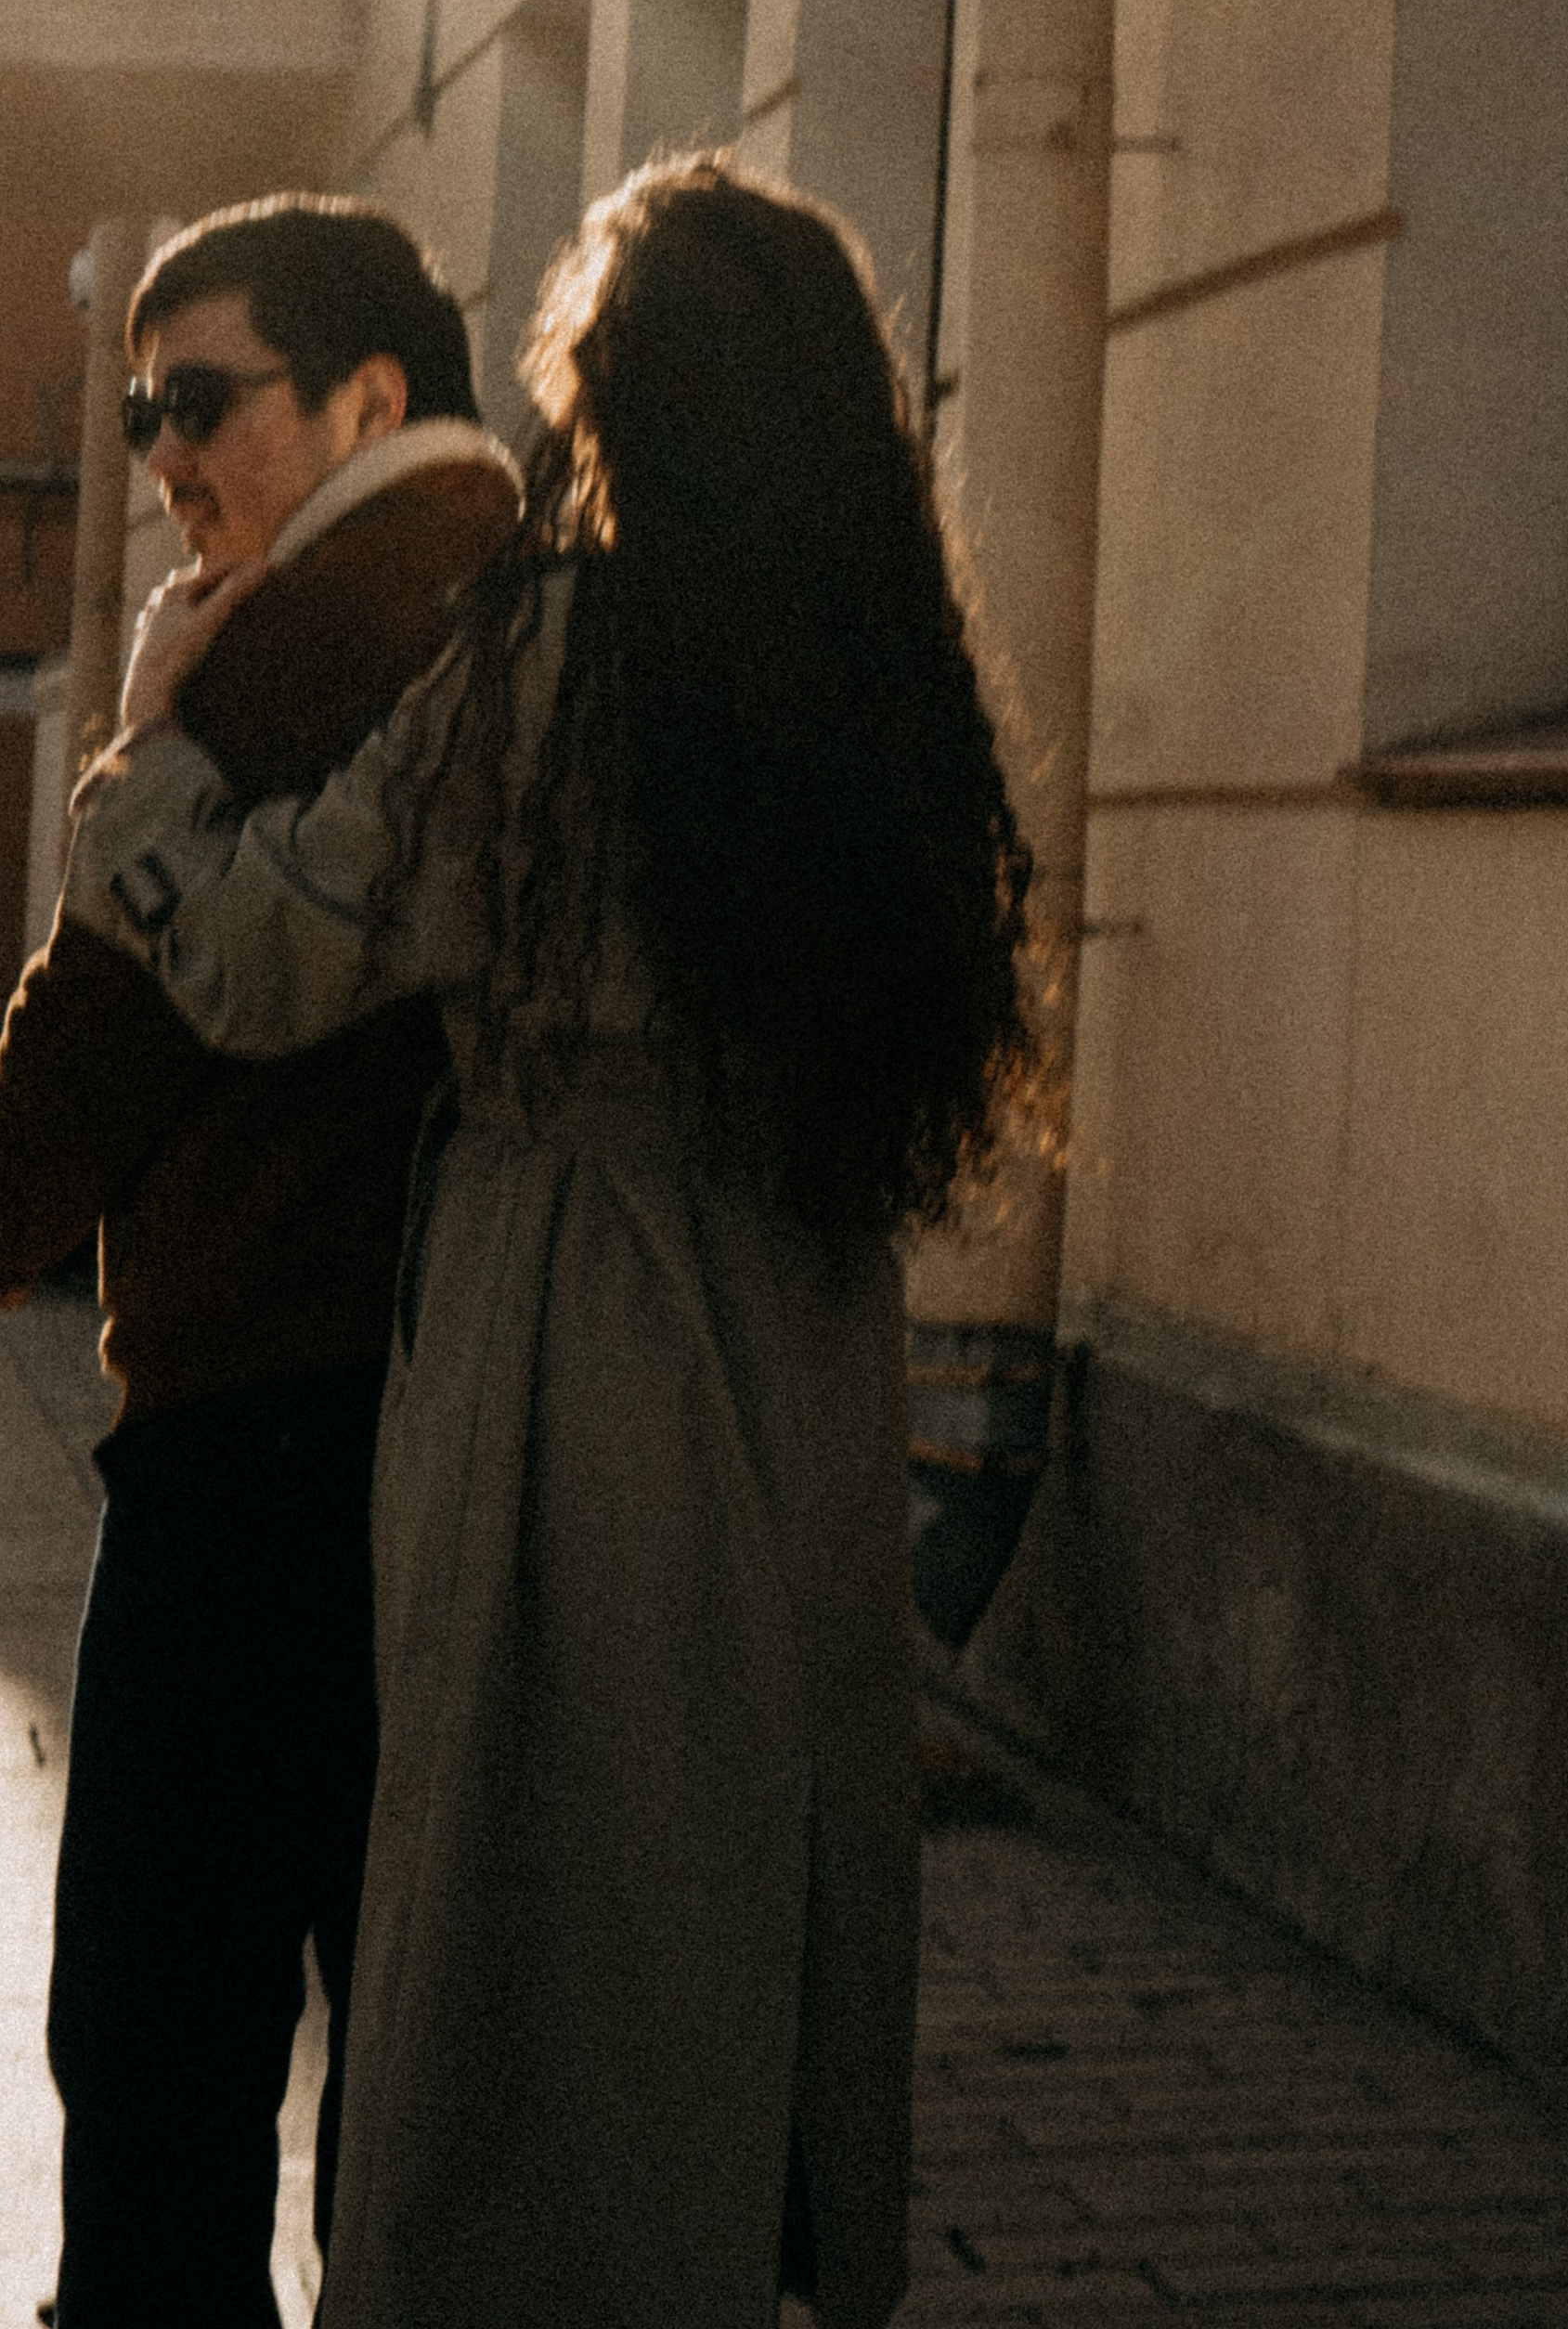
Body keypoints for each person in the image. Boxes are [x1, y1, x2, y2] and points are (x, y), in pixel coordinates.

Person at [63, 155, 1037, 2329]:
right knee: (729, 1878)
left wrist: (139, 768)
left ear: (631, 393)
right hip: (796, 1324)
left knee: (516, 1920)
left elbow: (274, 943)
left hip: (564, 1315)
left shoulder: (560, 657)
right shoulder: (876, 673)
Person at [0, 198, 520, 2328]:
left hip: (252, 1461)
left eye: (202, 401)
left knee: (155, 2063)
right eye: (141, 411)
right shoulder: (481, 578)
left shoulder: (312, 636)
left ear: (368, 400)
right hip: (413, 1425)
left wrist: (136, 761)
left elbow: (73, 1083)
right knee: (395, 2063)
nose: (162, 457)